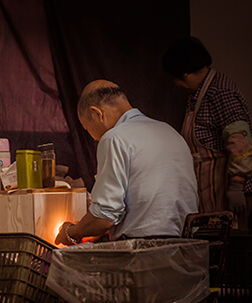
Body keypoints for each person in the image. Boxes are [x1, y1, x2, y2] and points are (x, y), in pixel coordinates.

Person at [55, 80, 199, 246]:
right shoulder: (171, 132)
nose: (94, 138)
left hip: (146, 251)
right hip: (188, 246)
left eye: (88, 129)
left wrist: (71, 232)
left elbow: (104, 217)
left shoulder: (114, 138)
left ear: (97, 113)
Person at [162, 37, 252, 229]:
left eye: (175, 78)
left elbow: (240, 141)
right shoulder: (197, 95)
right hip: (210, 189)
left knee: (231, 242)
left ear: (184, 74)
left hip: (230, 190)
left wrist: (236, 186)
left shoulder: (220, 92)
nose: (176, 84)